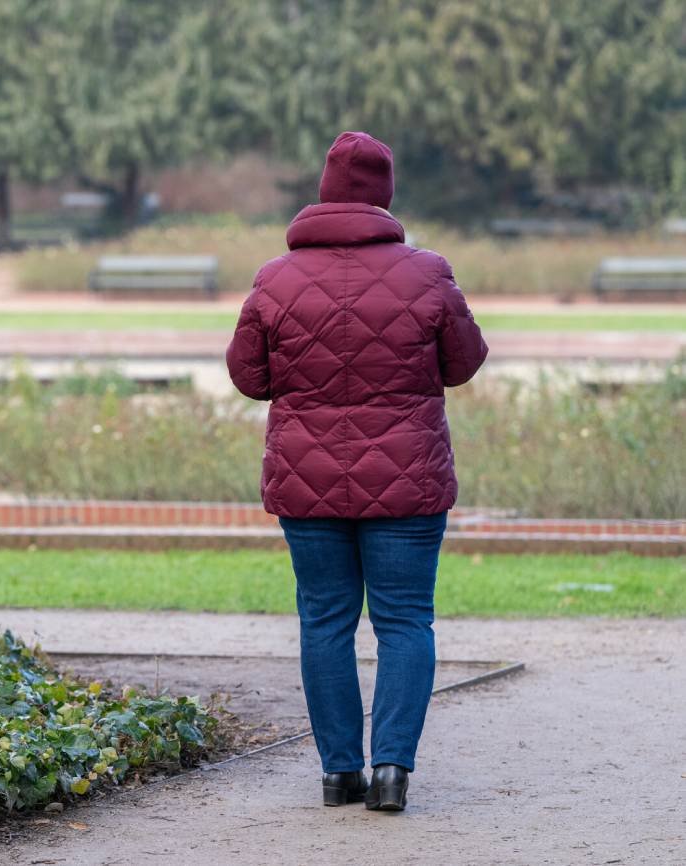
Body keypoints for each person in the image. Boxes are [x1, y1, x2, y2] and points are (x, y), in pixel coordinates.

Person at [225, 131, 488, 812]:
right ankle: (393, 770)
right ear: (385, 195)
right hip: (409, 479)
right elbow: (462, 364)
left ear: (324, 190)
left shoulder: (274, 278)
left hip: (307, 479)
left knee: (324, 621)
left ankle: (340, 773)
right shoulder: (428, 272)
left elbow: (248, 377)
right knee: (405, 622)